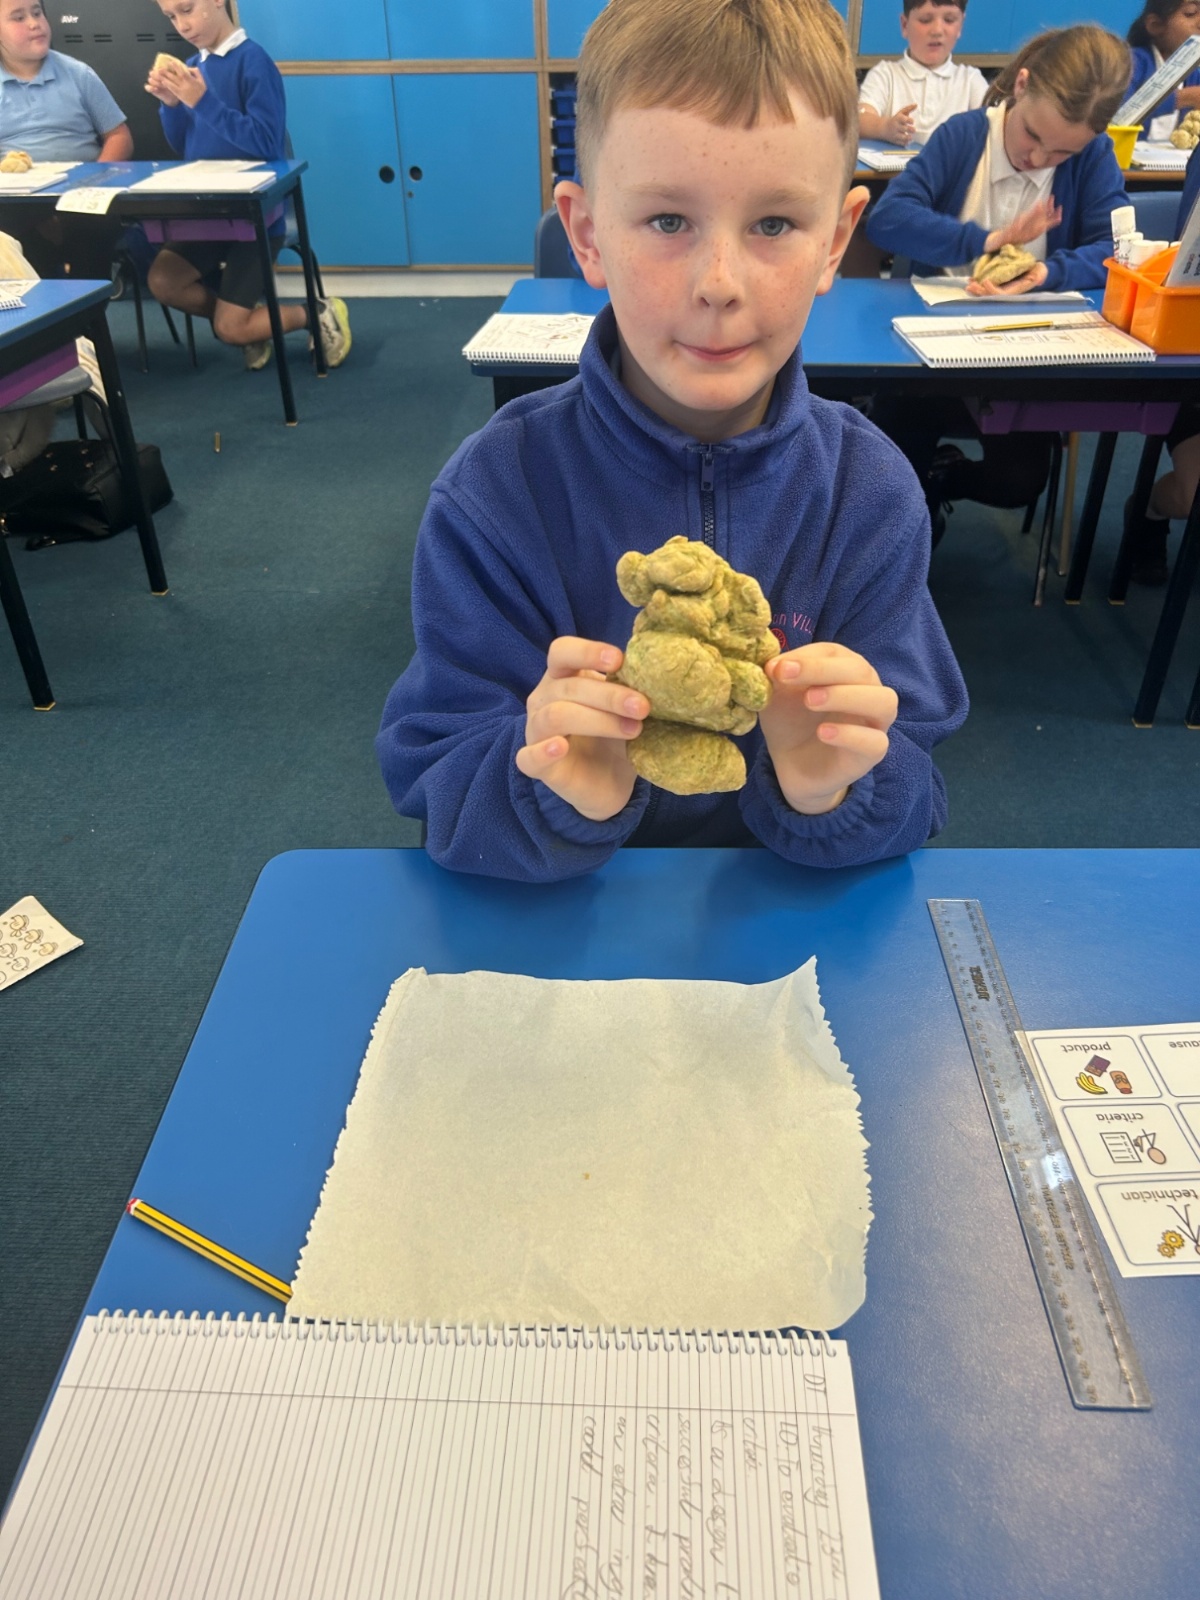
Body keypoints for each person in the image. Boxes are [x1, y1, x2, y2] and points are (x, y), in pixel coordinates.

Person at [376, 0, 968, 883]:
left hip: (783, 914)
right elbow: (435, 782)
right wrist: (553, 787)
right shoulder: (497, 493)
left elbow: (916, 784)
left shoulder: (869, 492)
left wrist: (834, 789)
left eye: (774, 224)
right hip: (569, 916)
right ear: (587, 236)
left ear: (835, 243)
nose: (719, 284)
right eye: (666, 222)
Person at [865, 25, 1130, 527]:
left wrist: (1046, 271)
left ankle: (942, 479)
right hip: (927, 361)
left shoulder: (1094, 155)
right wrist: (989, 240)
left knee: (1019, 482)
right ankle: (915, 510)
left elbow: (1117, 249)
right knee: (892, 479)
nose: (1038, 160)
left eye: (1062, 154)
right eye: (1033, 135)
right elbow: (889, 220)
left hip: (1023, 361)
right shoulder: (965, 136)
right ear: (1021, 86)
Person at [145, 0, 349, 370]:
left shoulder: (254, 61)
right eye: (171, 17)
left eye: (187, 9)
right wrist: (171, 106)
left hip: (256, 219)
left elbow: (266, 144)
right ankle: (249, 321)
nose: (181, 25)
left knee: (230, 329)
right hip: (210, 215)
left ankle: (315, 312)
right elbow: (184, 146)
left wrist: (202, 101)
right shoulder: (192, 67)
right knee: (163, 280)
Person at [0, 0, 132, 277]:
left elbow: (119, 136)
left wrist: (90, 184)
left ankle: (90, 301)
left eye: (37, 13)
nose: (34, 23)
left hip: (82, 195)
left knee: (93, 228)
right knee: (14, 233)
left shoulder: (77, 74)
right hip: (15, 202)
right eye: (19, 18)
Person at [858, 0, 987, 148]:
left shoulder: (970, 80)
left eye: (949, 20)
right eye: (925, 20)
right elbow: (859, 120)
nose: (937, 30)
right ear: (905, 25)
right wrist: (885, 127)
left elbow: (994, 126)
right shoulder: (885, 75)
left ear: (961, 25)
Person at [1126, 0, 1200, 143]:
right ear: (1156, 25)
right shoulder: (1130, 63)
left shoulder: (1194, 75)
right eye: (1190, 13)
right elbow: (1119, 113)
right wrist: (1185, 97)